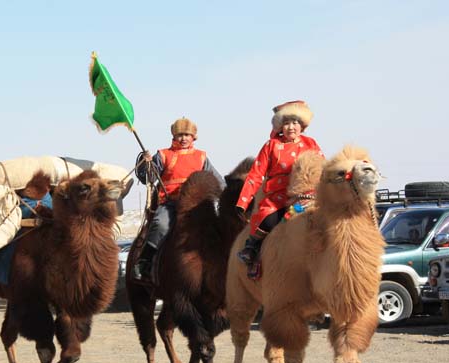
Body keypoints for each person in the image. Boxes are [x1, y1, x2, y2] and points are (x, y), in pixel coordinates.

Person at [132, 117, 223, 281]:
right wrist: (147, 164)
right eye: (180, 134)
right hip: (170, 203)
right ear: (174, 136)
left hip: (196, 206)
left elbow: (216, 179)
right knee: (160, 224)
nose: (183, 138)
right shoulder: (164, 155)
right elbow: (149, 178)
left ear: (193, 137)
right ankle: (145, 261)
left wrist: (229, 193)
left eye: (187, 135)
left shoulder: (201, 157)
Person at [235, 100, 323, 267]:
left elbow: (321, 167)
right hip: (278, 198)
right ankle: (252, 248)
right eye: (287, 123)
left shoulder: (310, 143)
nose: (291, 127)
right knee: (268, 220)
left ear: (302, 125)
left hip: (307, 195)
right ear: (280, 126)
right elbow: (256, 173)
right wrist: (243, 202)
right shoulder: (271, 146)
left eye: (295, 122)